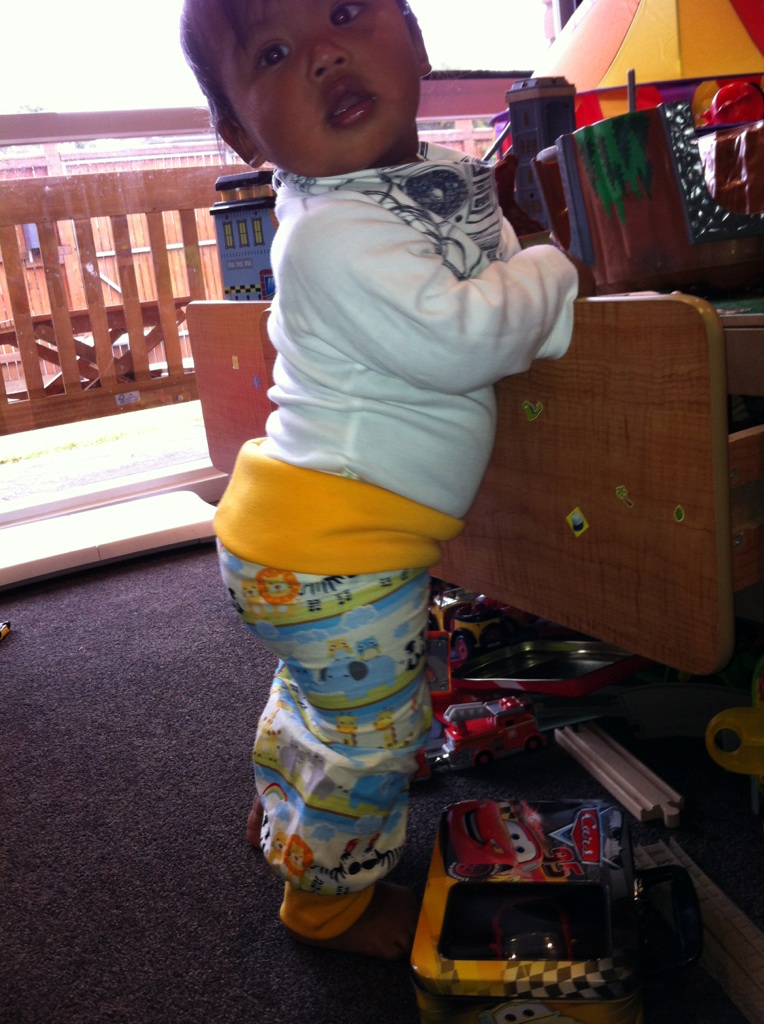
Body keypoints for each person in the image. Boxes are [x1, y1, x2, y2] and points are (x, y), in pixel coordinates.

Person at [180, 0, 594, 962]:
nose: (324, 54)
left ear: (415, 37)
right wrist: (554, 271)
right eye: (274, 53)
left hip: (305, 542)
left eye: (344, 12)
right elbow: (465, 339)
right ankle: (327, 908)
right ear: (244, 137)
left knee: (321, 700)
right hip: (338, 555)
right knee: (376, 740)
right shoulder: (331, 232)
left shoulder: (412, 185)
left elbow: (490, 278)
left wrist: (530, 283)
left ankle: (288, 811)